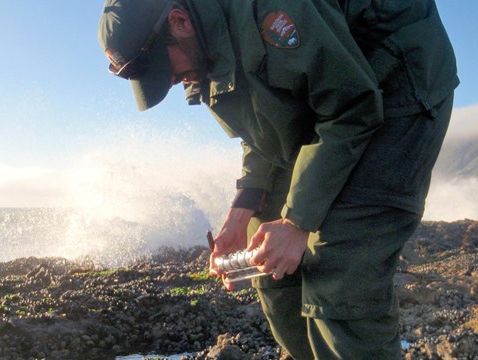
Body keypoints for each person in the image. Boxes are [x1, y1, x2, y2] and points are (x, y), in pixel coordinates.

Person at [98, 0, 458, 358]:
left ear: (179, 22)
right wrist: (241, 213)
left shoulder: (274, 10)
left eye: (168, 70)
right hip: (330, 98)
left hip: (396, 77)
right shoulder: (204, 52)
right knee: (266, 258)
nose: (174, 81)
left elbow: (352, 108)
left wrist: (298, 221)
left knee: (339, 268)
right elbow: (266, 131)